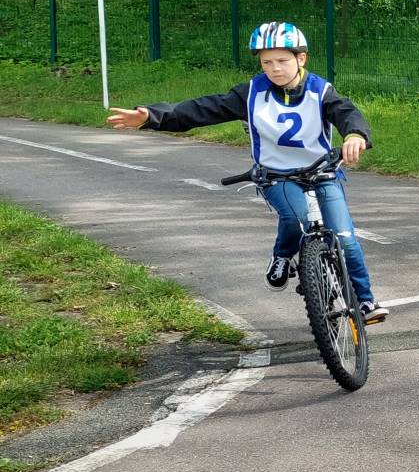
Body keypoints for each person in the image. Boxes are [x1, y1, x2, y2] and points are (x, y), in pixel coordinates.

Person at [106, 22, 389, 324]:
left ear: (301, 58)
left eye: (282, 60)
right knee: (297, 218)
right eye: (267, 62)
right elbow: (204, 109)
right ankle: (282, 255)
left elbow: (347, 113)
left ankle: (365, 301)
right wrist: (152, 116)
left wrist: (355, 135)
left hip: (322, 172)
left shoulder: (320, 91)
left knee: (345, 238)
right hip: (277, 175)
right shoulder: (252, 93)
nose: (275, 68)